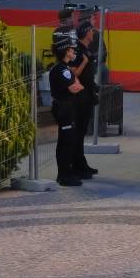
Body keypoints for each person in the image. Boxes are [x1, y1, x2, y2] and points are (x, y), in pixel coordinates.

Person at [48, 38, 86, 187]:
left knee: (66, 140)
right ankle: (64, 175)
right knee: (66, 142)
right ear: (65, 52)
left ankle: (64, 173)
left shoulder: (64, 69)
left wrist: (76, 83)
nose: (73, 51)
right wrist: (77, 85)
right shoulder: (63, 70)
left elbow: (76, 83)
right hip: (64, 109)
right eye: (71, 49)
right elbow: (75, 87)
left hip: (65, 108)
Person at [71, 21, 99, 179]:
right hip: (80, 96)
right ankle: (77, 165)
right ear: (85, 32)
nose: (93, 33)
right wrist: (84, 62)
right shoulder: (78, 51)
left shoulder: (86, 49)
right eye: (91, 31)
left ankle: (81, 163)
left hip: (87, 94)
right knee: (78, 132)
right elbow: (73, 74)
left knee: (82, 132)